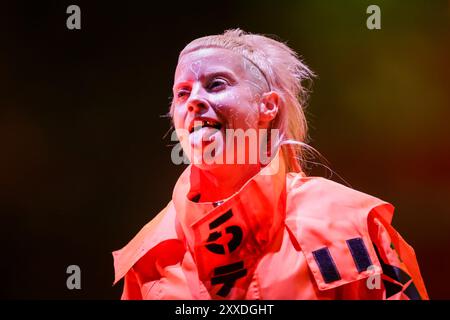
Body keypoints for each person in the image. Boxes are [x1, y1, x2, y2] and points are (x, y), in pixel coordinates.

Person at [112, 29, 428, 300]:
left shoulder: (350, 222)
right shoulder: (150, 256)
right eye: (182, 93)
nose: (193, 100)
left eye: (216, 84)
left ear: (268, 106)